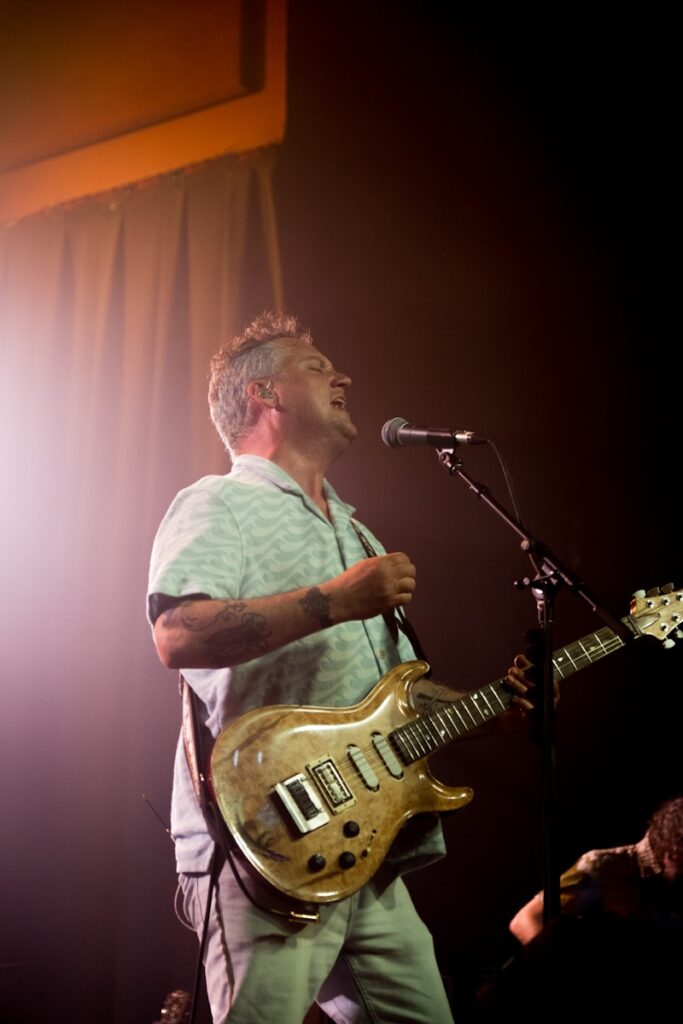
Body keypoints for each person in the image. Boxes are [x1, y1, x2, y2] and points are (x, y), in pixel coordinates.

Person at [147, 311, 536, 1024]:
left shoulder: (353, 527)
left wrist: (488, 710)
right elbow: (176, 633)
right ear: (264, 393)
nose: (343, 377)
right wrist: (332, 600)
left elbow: (378, 702)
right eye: (318, 366)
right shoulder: (218, 502)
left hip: (363, 848)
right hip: (269, 836)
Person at [476, 797, 683, 1018]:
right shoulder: (604, 866)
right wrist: (567, 981)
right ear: (671, 848)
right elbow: (526, 920)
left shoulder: (671, 887)